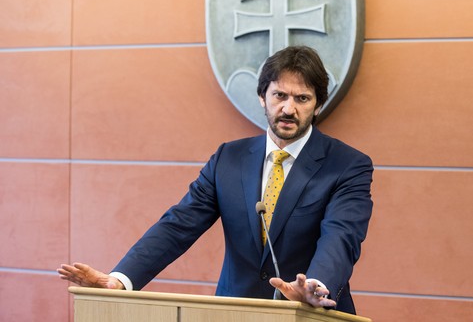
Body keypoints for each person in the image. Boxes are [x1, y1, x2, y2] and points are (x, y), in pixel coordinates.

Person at [58, 45, 373, 314]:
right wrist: (120, 280)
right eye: (280, 95)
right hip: (234, 313)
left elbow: (342, 237)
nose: (288, 108)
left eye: (302, 99)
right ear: (263, 97)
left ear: (318, 104)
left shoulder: (347, 166)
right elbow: (178, 225)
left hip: (312, 315)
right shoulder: (228, 159)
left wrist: (316, 288)